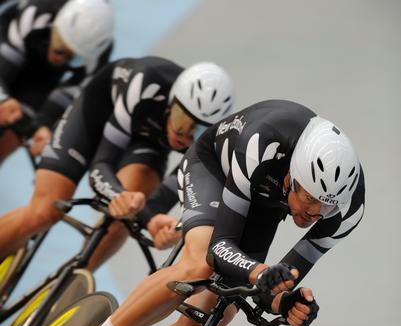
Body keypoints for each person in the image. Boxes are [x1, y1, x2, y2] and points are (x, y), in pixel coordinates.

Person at [58, 99, 365, 326]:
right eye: (310, 199)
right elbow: (220, 248)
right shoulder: (262, 143)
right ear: (293, 176)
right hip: (218, 169)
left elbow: (273, 287)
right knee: (199, 267)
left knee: (216, 312)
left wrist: (289, 303)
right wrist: (257, 271)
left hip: (267, 202)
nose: (315, 213)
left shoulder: (347, 210)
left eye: (325, 207)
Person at [0, 57, 234, 266]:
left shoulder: (210, 143)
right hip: (99, 114)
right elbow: (101, 167)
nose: (185, 135)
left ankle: (67, 288)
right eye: (182, 120)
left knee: (124, 217)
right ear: (171, 102)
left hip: (148, 140)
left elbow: (159, 203)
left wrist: (153, 221)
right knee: (44, 211)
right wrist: (118, 196)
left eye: (198, 130)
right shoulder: (146, 83)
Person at [0, 0, 114, 164]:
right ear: (56, 27)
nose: (60, 59)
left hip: (42, 76)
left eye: (72, 57)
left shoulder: (98, 53)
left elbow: (63, 98)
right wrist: (3, 98)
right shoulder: (38, 12)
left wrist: (42, 127)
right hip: (10, 43)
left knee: (15, 132)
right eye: (60, 50)